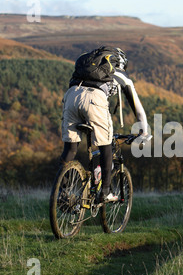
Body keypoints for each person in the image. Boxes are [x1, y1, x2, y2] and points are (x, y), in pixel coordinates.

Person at [60, 47, 149, 202]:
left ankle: (62, 193)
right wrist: (144, 130)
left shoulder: (87, 67)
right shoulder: (119, 73)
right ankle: (105, 192)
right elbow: (136, 105)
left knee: (70, 148)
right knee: (105, 145)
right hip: (94, 99)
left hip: (71, 96)